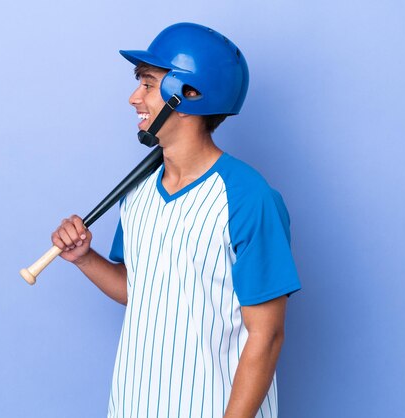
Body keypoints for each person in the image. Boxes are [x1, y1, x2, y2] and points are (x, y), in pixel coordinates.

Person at [51, 22, 301, 418]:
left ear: (189, 94)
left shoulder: (248, 198)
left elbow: (266, 336)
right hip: (132, 405)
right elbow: (142, 290)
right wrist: (85, 257)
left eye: (148, 84)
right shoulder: (137, 194)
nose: (134, 98)